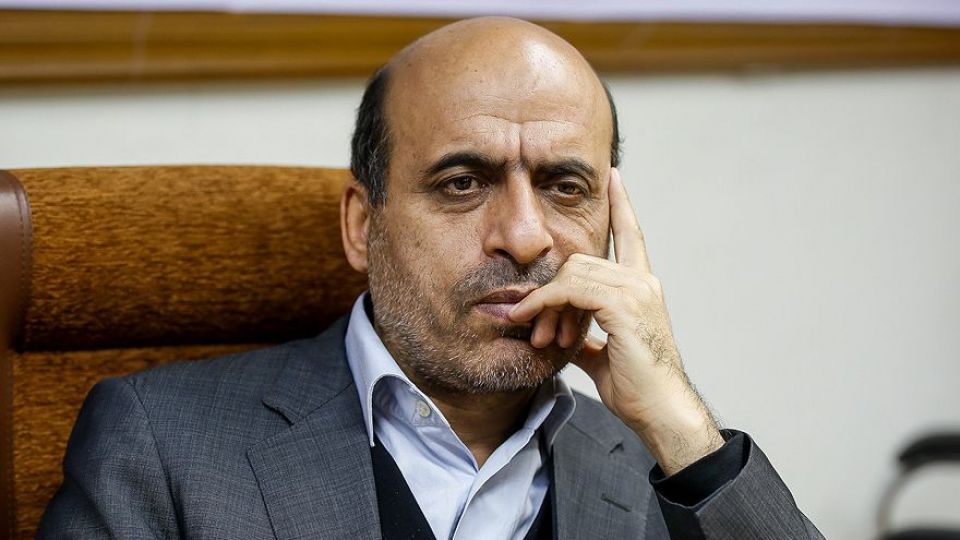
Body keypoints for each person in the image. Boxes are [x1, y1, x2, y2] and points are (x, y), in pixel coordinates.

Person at [39, 17, 824, 540]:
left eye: (565, 187)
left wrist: (683, 430)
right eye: (462, 183)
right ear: (363, 225)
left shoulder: (664, 470)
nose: (525, 236)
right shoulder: (162, 446)